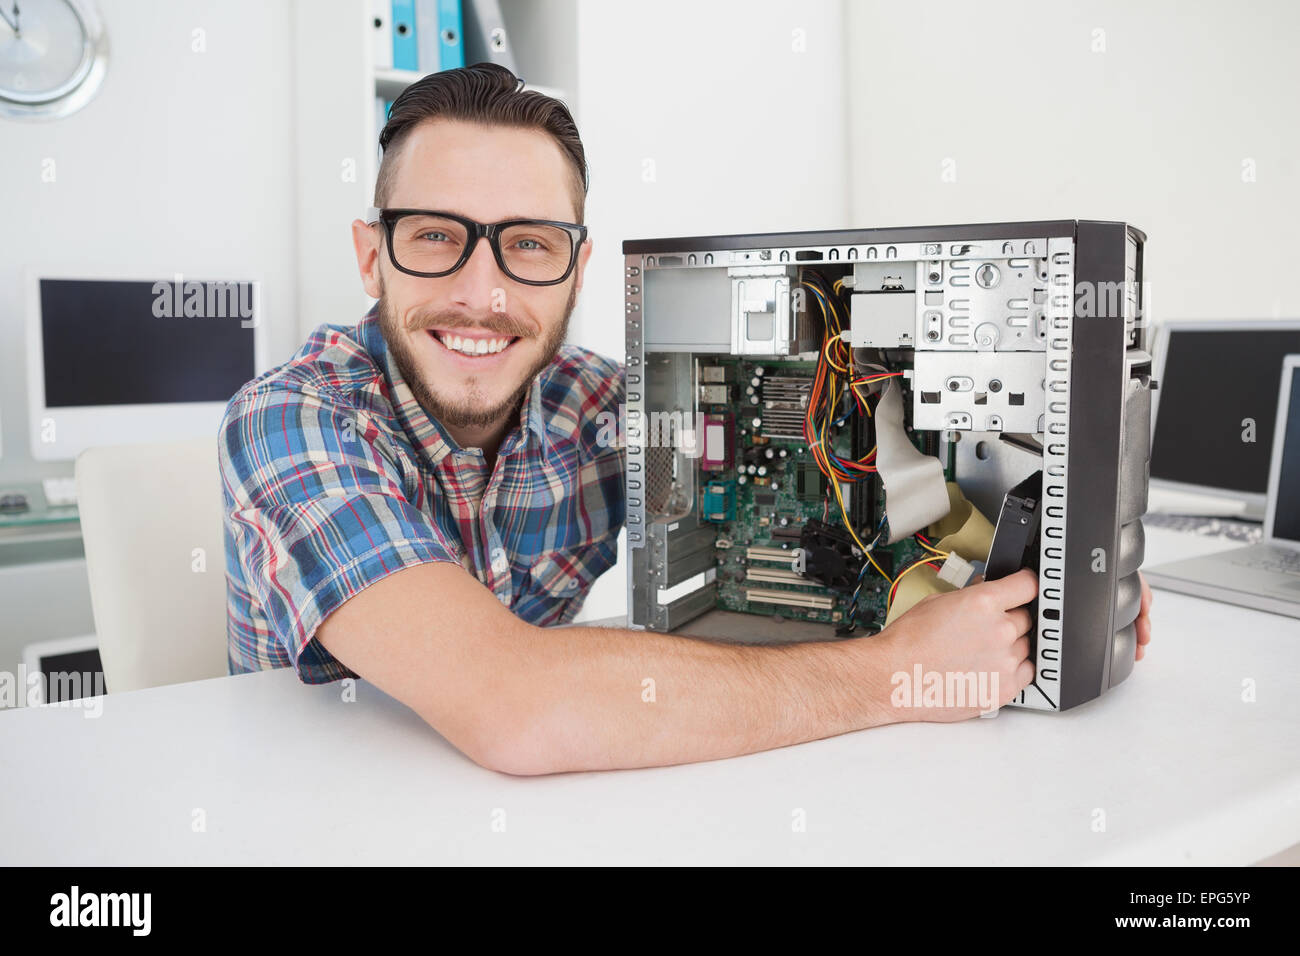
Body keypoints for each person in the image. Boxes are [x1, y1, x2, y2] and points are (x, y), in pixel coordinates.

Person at [218, 63, 1153, 776]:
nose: (483, 292)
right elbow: (512, 704)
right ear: (370, 257)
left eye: (530, 245)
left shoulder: (596, 406)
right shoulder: (293, 422)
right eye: (434, 237)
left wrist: (1053, 581)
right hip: (327, 817)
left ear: (579, 274)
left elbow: (797, 495)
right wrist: (896, 673)